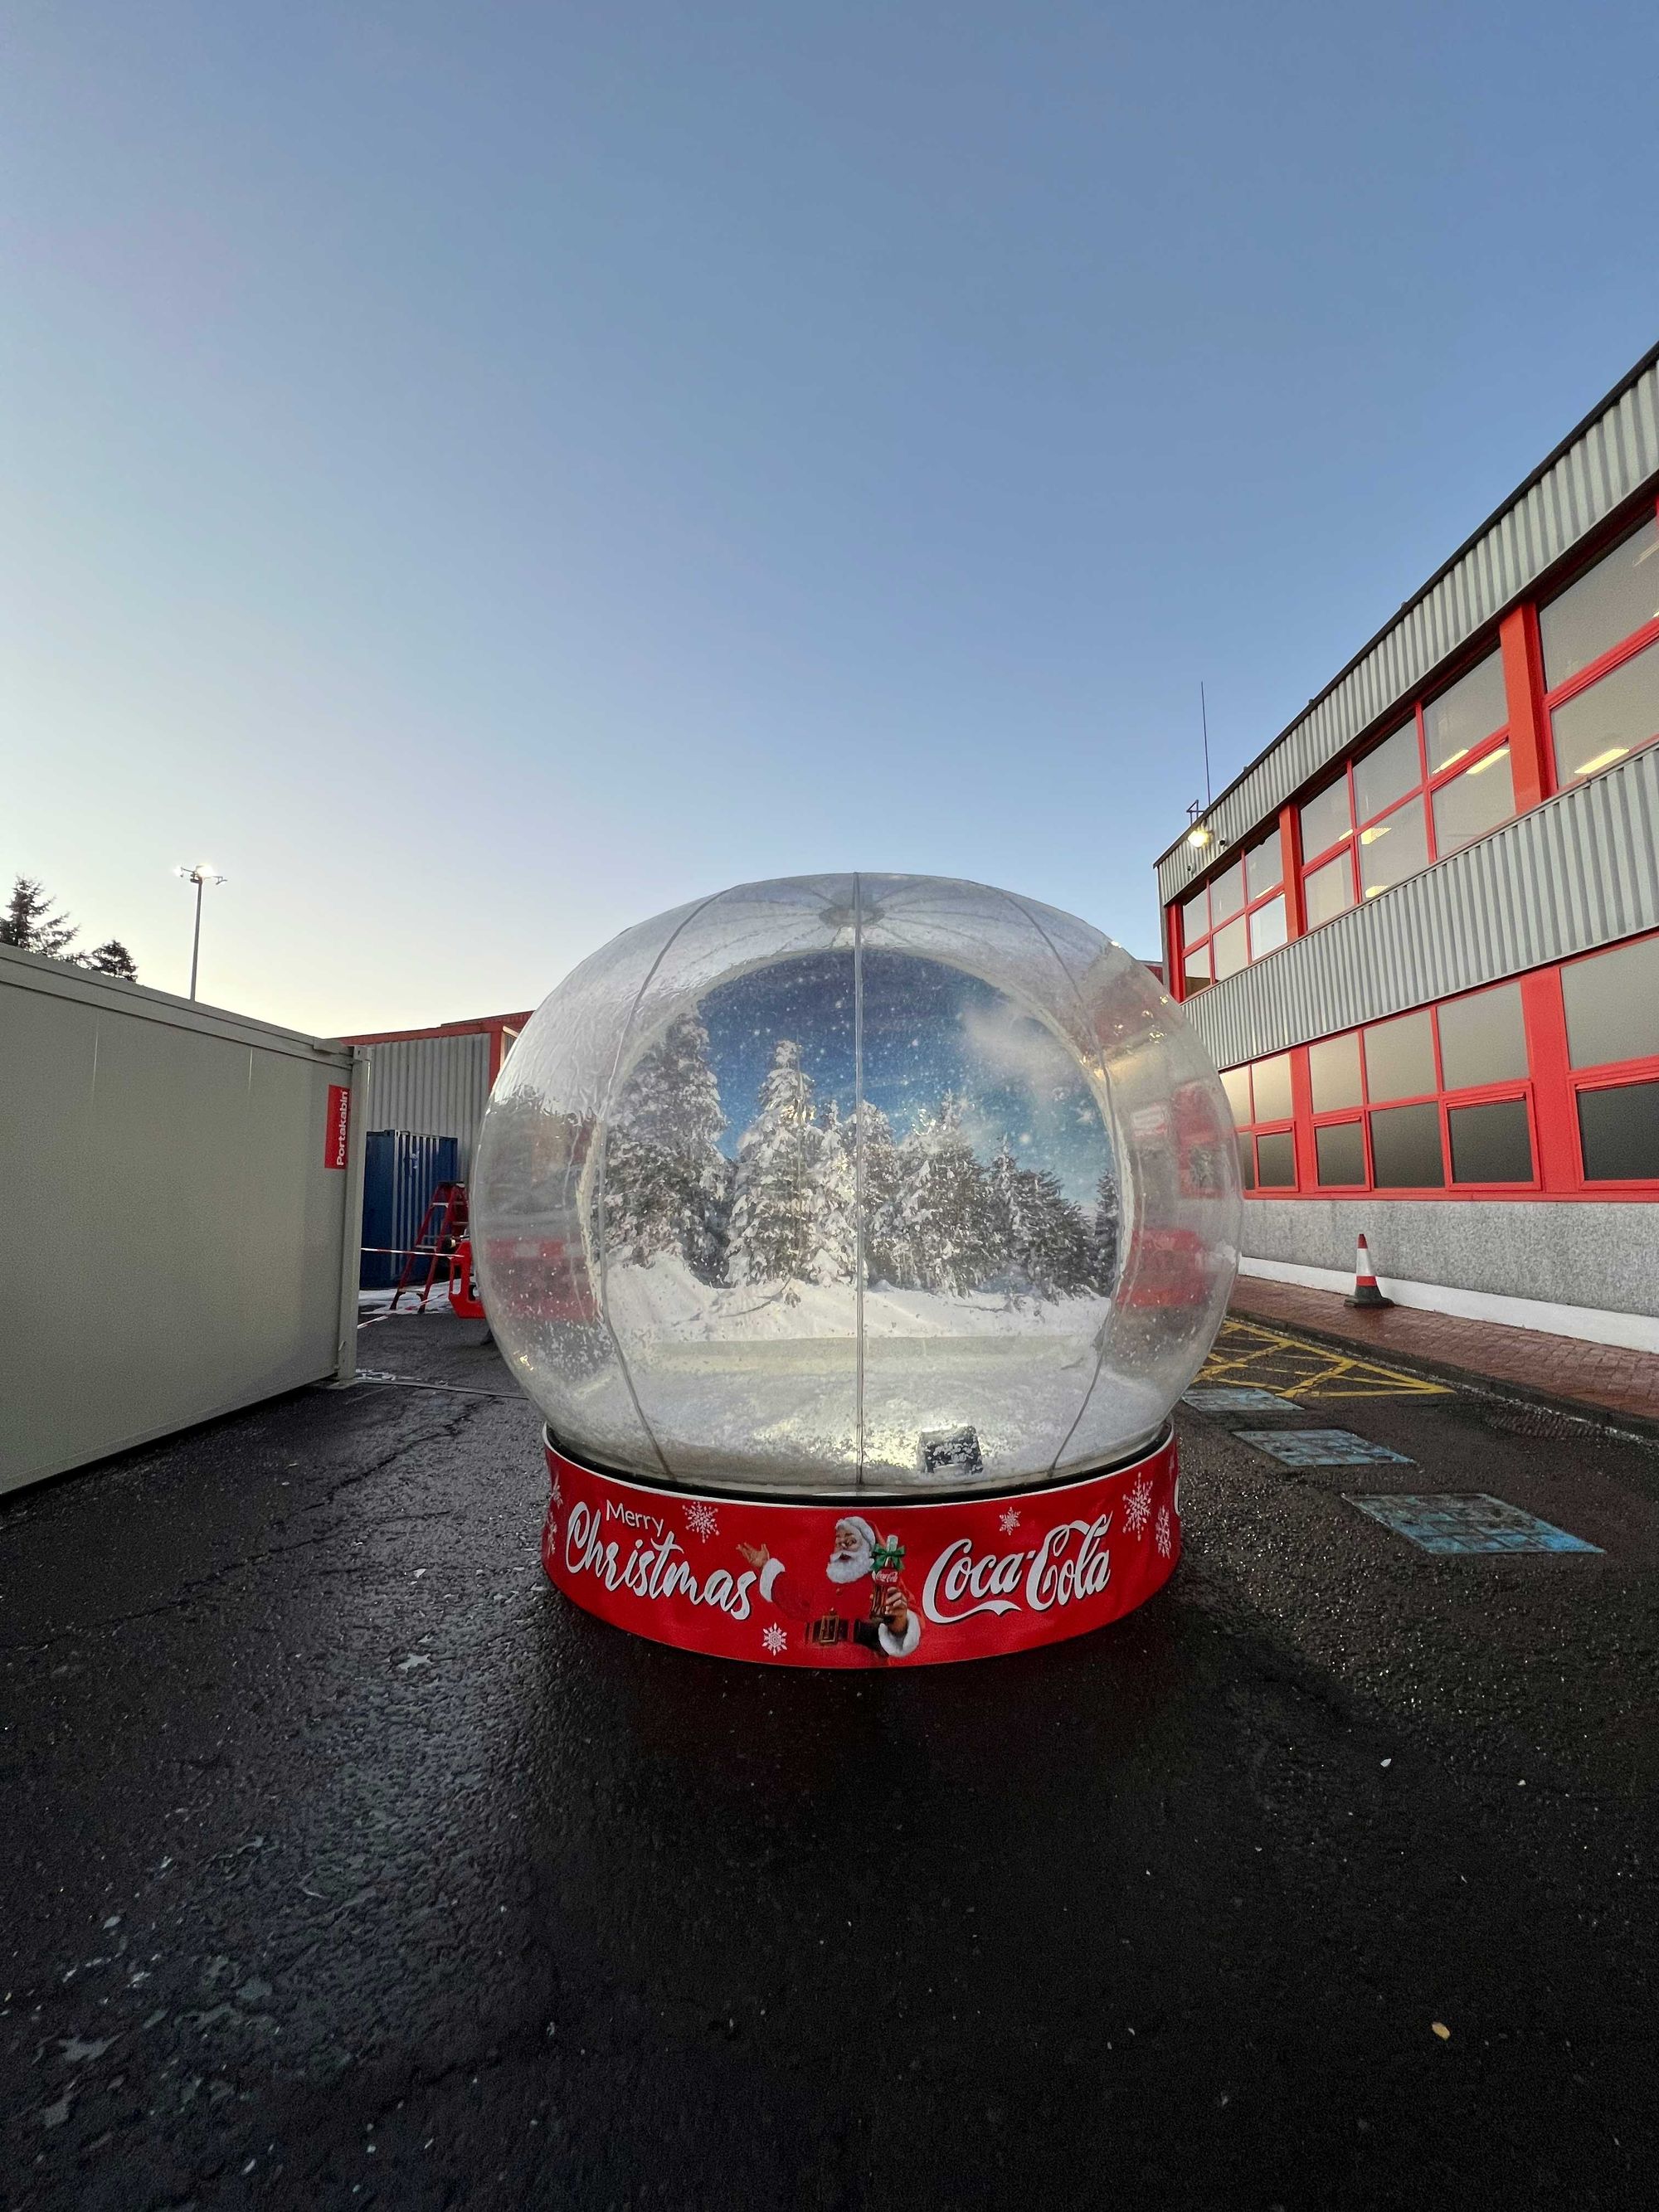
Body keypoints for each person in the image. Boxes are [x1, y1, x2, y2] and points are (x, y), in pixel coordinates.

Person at [739, 1515, 922, 1659]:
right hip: (812, 1669)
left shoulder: (883, 1580)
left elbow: (909, 1620)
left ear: (867, 1548)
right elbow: (792, 1598)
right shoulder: (822, 1581)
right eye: (838, 1541)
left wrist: (900, 1620)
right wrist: (765, 1566)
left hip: (865, 1670)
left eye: (850, 1541)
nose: (842, 1547)